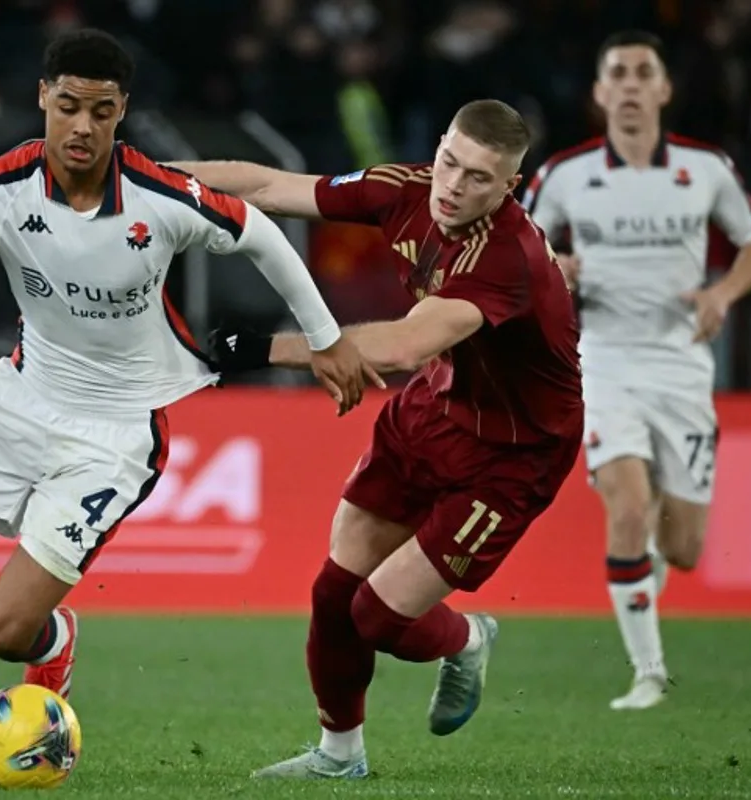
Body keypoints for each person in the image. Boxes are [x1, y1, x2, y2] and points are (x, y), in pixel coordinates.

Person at [0, 28, 374, 780]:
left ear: (122, 112)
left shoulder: (160, 196)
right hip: (16, 408)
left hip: (115, 433)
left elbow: (263, 234)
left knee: (6, 631)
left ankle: (52, 645)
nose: (82, 127)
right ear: (44, 97)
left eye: (101, 111)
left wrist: (326, 337)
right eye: (69, 105)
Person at [174, 98, 583, 779]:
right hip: (433, 408)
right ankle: (339, 759)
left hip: (512, 455)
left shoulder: (505, 257)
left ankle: (467, 635)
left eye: (479, 177)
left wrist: (261, 348)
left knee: (380, 617)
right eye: (449, 161)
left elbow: (401, 343)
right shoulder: (410, 188)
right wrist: (138, 174)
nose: (454, 186)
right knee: (334, 594)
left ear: (510, 186)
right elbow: (272, 186)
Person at [523, 30, 751, 711]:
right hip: (601, 361)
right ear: (601, 94)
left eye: (644, 73)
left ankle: (645, 574)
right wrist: (556, 269)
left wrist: (722, 294)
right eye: (619, 75)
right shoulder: (566, 175)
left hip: (682, 369)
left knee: (685, 547)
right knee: (628, 506)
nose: (631, 85)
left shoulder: (706, 169)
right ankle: (648, 674)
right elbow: (515, 252)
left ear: (664, 90)